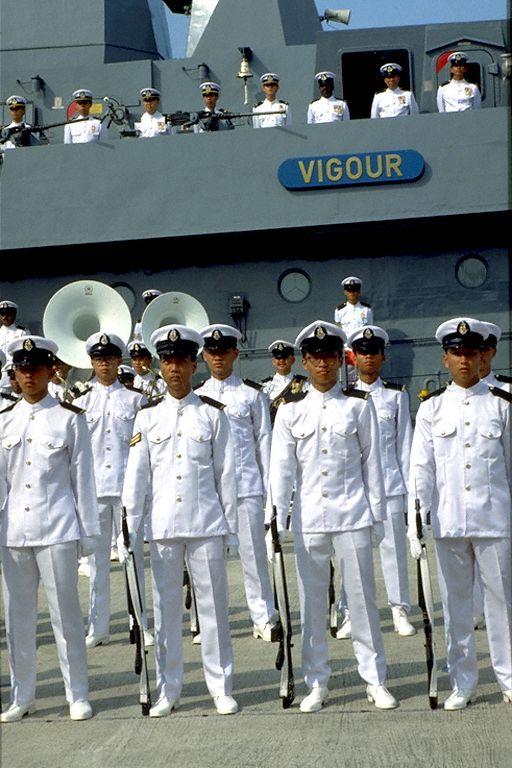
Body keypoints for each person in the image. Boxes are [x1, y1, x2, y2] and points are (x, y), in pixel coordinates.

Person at [268, 320, 398, 712]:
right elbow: (281, 469)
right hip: (310, 518)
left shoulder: (358, 406)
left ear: (341, 361)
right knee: (311, 605)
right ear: (304, 362)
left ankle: (374, 679)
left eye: (328, 357)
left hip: (353, 514)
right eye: (314, 358)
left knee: (361, 601)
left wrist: (377, 518)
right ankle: (317, 681)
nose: (322, 364)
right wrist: (276, 517)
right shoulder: (289, 411)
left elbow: (373, 463)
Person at [120, 324, 238, 716]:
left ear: (194, 364)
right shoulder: (147, 419)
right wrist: (128, 530)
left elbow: (227, 477)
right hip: (165, 526)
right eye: (167, 361)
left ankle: (220, 686)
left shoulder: (213, 416)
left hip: (205, 523)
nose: (174, 368)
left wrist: (230, 530)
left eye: (181, 361)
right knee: (167, 611)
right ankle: (168, 689)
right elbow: (136, 480)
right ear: (160, 364)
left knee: (214, 610)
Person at [407, 317, 512, 710]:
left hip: (494, 519)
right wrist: (416, 520)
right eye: (456, 353)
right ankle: (463, 681)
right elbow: (422, 468)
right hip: (449, 522)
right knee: (455, 607)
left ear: (481, 354)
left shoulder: (502, 405)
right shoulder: (432, 409)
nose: (464, 360)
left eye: (470, 352)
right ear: (445, 358)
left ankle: (508, 677)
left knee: (503, 603)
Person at [0, 336, 99, 722]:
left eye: (36, 368)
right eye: (22, 369)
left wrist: (88, 533)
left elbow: (83, 481)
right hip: (13, 532)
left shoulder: (69, 419)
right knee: (18, 620)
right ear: (14, 374)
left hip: (57, 528)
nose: (29, 375)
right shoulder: (4, 421)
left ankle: (77, 694)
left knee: (66, 616)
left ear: (50, 371)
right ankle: (22, 695)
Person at [196, 324, 277, 640]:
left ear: (234, 353)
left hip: (245, 487)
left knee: (254, 557)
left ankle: (263, 617)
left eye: (223, 351)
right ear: (204, 356)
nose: (218, 357)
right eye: (212, 352)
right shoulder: (197, 396)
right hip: (209, 492)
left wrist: (270, 496)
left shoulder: (251, 395)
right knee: (207, 562)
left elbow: (264, 444)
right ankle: (211, 623)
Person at [336, 326, 415, 640]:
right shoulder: (345, 398)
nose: (369, 358)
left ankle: (399, 609)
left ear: (382, 356)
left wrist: (412, 497)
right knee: (350, 554)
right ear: (355, 358)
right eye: (363, 352)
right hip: (354, 489)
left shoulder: (396, 396)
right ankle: (351, 614)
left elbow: (404, 448)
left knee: (393, 551)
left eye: (374, 352)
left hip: (390, 486)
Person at [73, 332, 150, 648]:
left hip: (126, 488)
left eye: (109, 358)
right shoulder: (80, 402)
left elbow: (141, 448)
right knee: (97, 562)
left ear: (119, 361)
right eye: (98, 359)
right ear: (91, 362)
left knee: (133, 558)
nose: (104, 364)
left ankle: (140, 622)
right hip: (93, 491)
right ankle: (99, 626)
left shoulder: (135, 400)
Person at [261, 340, 307, 425]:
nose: (281, 361)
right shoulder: (265, 386)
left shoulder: (304, 384)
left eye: (285, 357)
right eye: (278, 358)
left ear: (293, 360)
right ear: (273, 361)